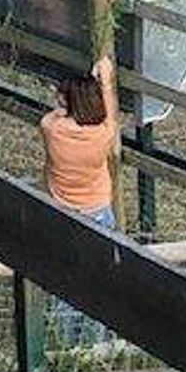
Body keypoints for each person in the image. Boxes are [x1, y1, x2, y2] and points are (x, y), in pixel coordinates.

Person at [39, 56, 122, 346]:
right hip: (98, 211)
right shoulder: (102, 136)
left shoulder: (52, 129)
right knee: (99, 283)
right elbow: (112, 116)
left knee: (64, 284)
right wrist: (107, 82)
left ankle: (67, 346)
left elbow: (53, 115)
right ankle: (97, 344)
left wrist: (64, 106)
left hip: (63, 213)